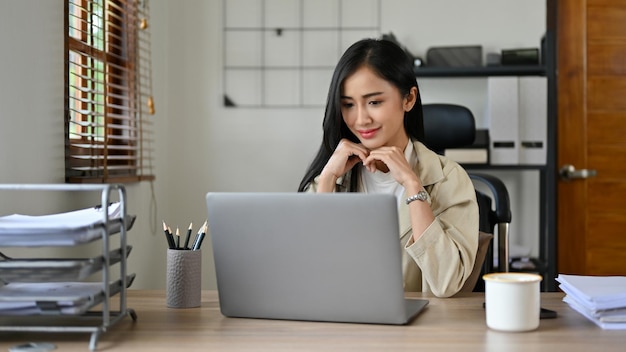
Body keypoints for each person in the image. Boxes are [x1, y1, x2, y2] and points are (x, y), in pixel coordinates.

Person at [297, 38, 479, 297]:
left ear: (409, 99)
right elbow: (304, 275)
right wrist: (326, 181)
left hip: (419, 330)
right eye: (348, 104)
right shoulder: (332, 177)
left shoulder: (450, 179)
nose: (360, 119)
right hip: (341, 325)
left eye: (374, 102)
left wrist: (413, 186)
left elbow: (447, 283)